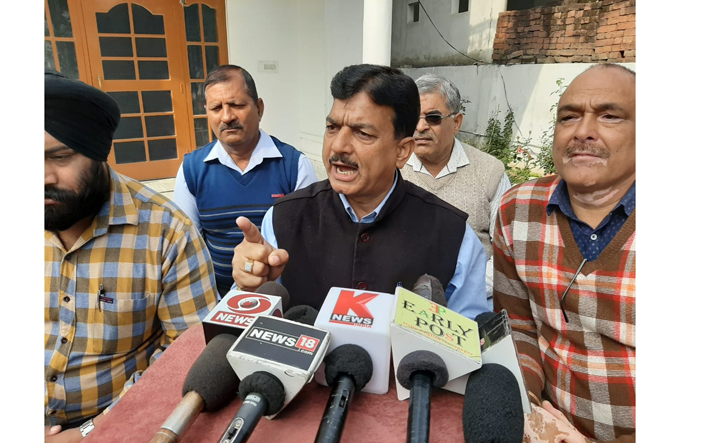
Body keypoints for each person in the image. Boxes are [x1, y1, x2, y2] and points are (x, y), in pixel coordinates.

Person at [231, 64, 489, 320]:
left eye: (362, 133)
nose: (339, 146)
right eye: (332, 128)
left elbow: (470, 345)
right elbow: (246, 321)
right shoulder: (283, 219)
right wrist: (250, 286)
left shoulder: (453, 236)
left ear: (402, 151)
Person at [44, 70, 217, 441]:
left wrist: (91, 431)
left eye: (59, 157)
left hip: (114, 425)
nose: (41, 175)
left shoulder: (167, 233)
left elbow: (187, 358)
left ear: (98, 152)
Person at [492, 64, 636, 442]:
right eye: (568, 116)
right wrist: (524, 407)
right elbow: (518, 327)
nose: (583, 131)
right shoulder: (517, 210)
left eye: (609, 116)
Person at [174, 65, 318, 296]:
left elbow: (311, 243)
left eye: (237, 105)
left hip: (282, 297)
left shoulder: (294, 166)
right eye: (216, 108)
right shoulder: (192, 170)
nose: (227, 117)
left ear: (259, 108)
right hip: (217, 300)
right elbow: (186, 249)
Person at [400, 73, 511, 309]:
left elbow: (505, 255)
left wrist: (462, 292)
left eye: (433, 118)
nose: (420, 127)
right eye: (413, 118)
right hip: (401, 301)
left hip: (473, 305)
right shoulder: (393, 168)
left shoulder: (490, 172)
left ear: (457, 122)